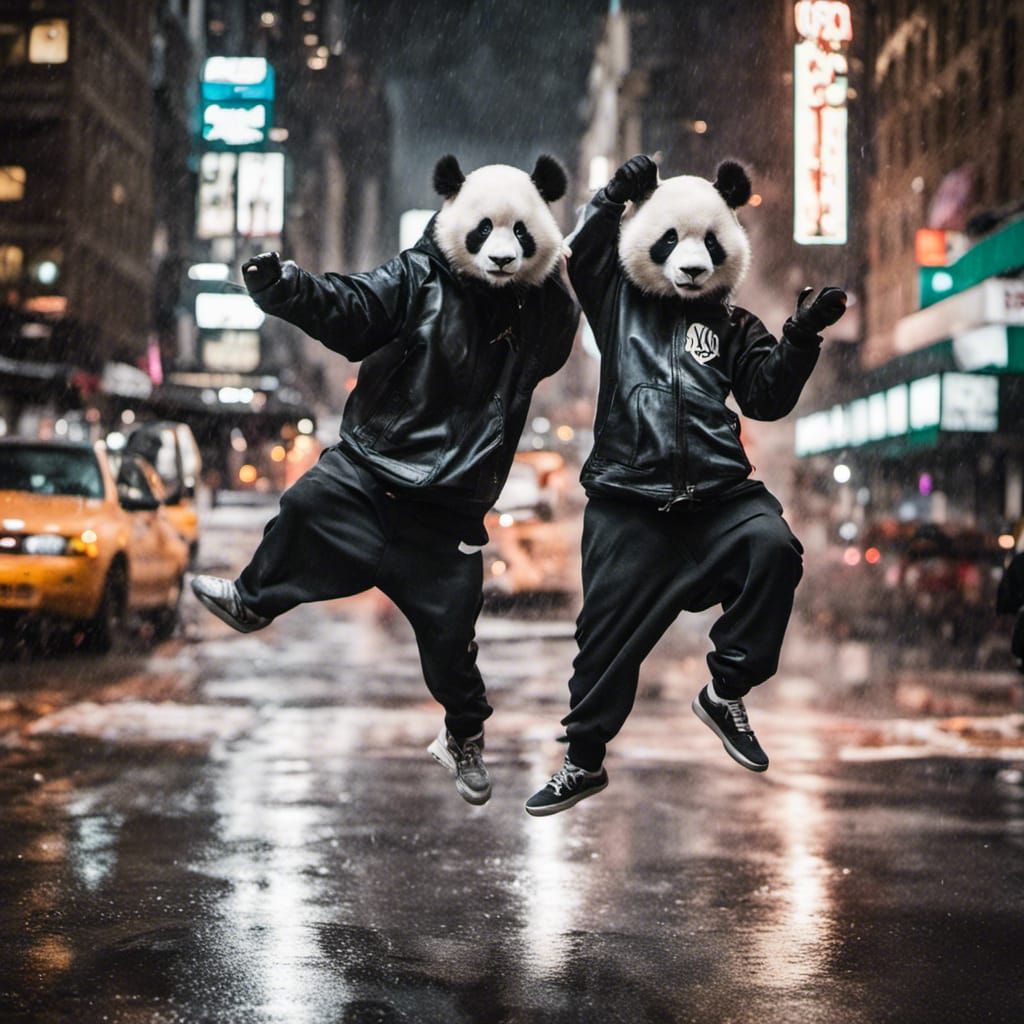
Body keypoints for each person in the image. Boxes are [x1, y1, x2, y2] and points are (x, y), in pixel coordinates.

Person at [192, 156, 579, 806]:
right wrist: (285, 287)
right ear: (457, 215)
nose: (505, 251)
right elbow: (352, 308)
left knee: (454, 643)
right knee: (307, 504)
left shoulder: (539, 312)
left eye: (523, 233)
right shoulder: (418, 275)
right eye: (485, 231)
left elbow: (562, 326)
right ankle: (254, 600)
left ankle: (463, 735)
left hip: (449, 510)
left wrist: (557, 265)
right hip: (372, 468)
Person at [526, 154, 847, 816]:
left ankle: (725, 691)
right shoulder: (617, 302)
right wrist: (615, 194)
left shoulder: (732, 324)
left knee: (773, 549)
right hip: (628, 503)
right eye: (674, 241)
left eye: (707, 242)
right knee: (602, 646)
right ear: (647, 240)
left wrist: (801, 335)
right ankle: (582, 761)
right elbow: (583, 250)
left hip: (718, 497)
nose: (691, 259)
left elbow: (764, 398)